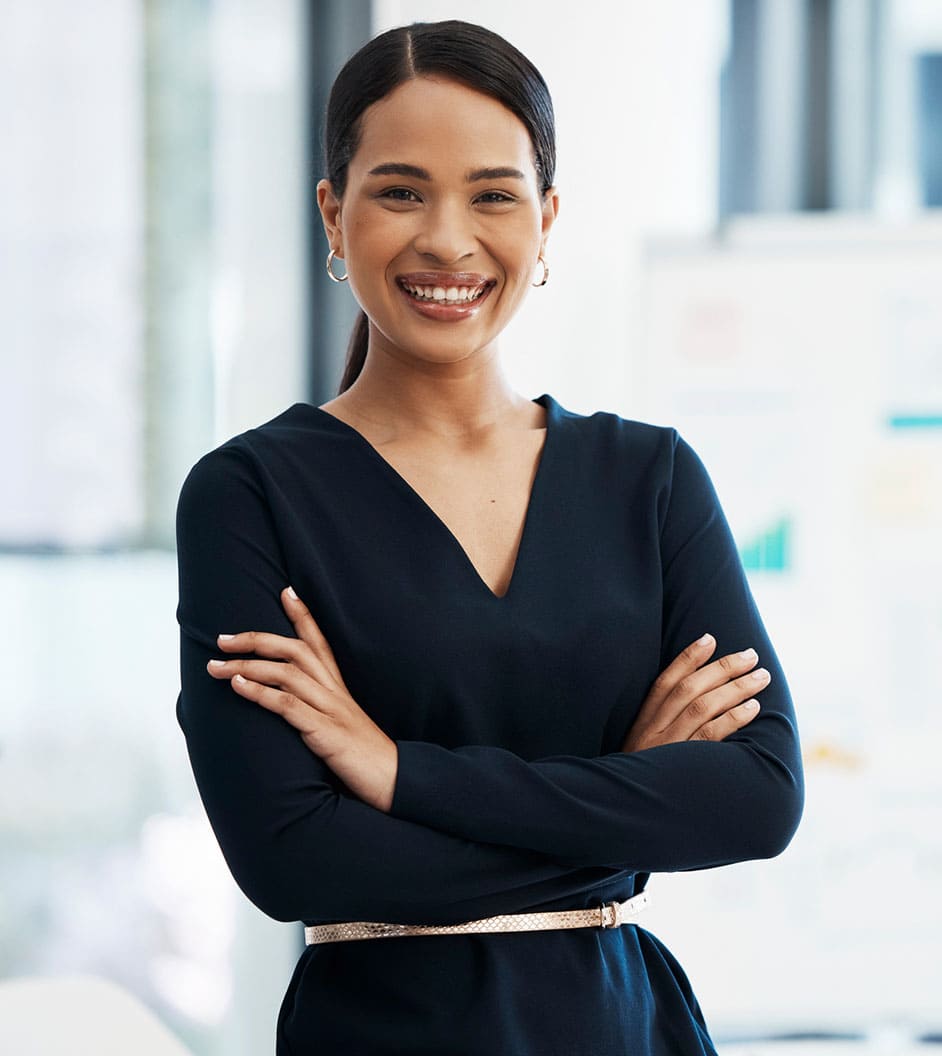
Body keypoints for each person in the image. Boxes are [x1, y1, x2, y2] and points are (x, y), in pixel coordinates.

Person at [175, 19, 803, 1055]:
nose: (448, 240)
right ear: (335, 217)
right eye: (401, 190)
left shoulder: (649, 480)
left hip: (625, 1028)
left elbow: (758, 799)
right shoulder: (250, 495)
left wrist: (396, 775)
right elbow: (292, 862)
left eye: (494, 194)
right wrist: (630, 811)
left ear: (546, 221)